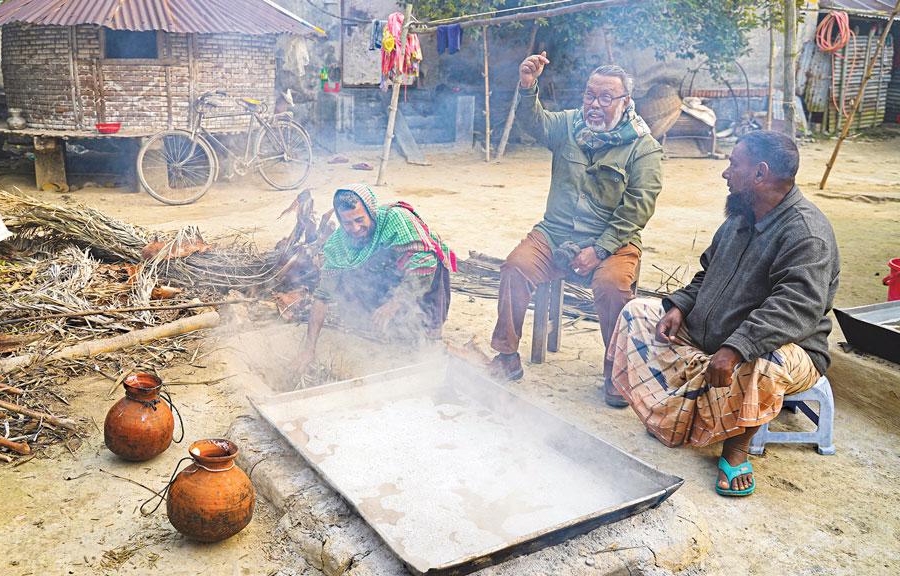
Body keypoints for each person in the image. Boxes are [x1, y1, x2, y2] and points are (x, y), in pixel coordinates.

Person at [608, 130, 840, 497]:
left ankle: (735, 452)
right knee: (638, 313)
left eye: (734, 164)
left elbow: (797, 308)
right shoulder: (740, 217)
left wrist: (735, 348)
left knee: (762, 363)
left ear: (760, 173)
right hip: (711, 332)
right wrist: (680, 306)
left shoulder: (806, 233)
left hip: (790, 348)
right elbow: (706, 273)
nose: (725, 173)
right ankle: (670, 413)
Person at [489, 53, 663, 409]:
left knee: (613, 288)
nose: (594, 105)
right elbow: (533, 124)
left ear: (625, 102)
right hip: (555, 232)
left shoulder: (643, 147)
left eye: (605, 98)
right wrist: (527, 86)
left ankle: (617, 373)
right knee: (514, 268)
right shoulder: (569, 125)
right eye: (589, 95)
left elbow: (638, 208)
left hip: (614, 240)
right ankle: (506, 357)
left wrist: (599, 250)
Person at [294, 184, 456, 369]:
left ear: (371, 212)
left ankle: (428, 339)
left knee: (420, 336)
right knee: (349, 280)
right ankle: (385, 334)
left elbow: (425, 263)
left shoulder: (395, 220)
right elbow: (322, 297)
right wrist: (309, 348)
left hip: (419, 275)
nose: (355, 228)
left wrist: (394, 303)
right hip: (382, 277)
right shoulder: (338, 244)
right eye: (347, 223)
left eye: (359, 219)